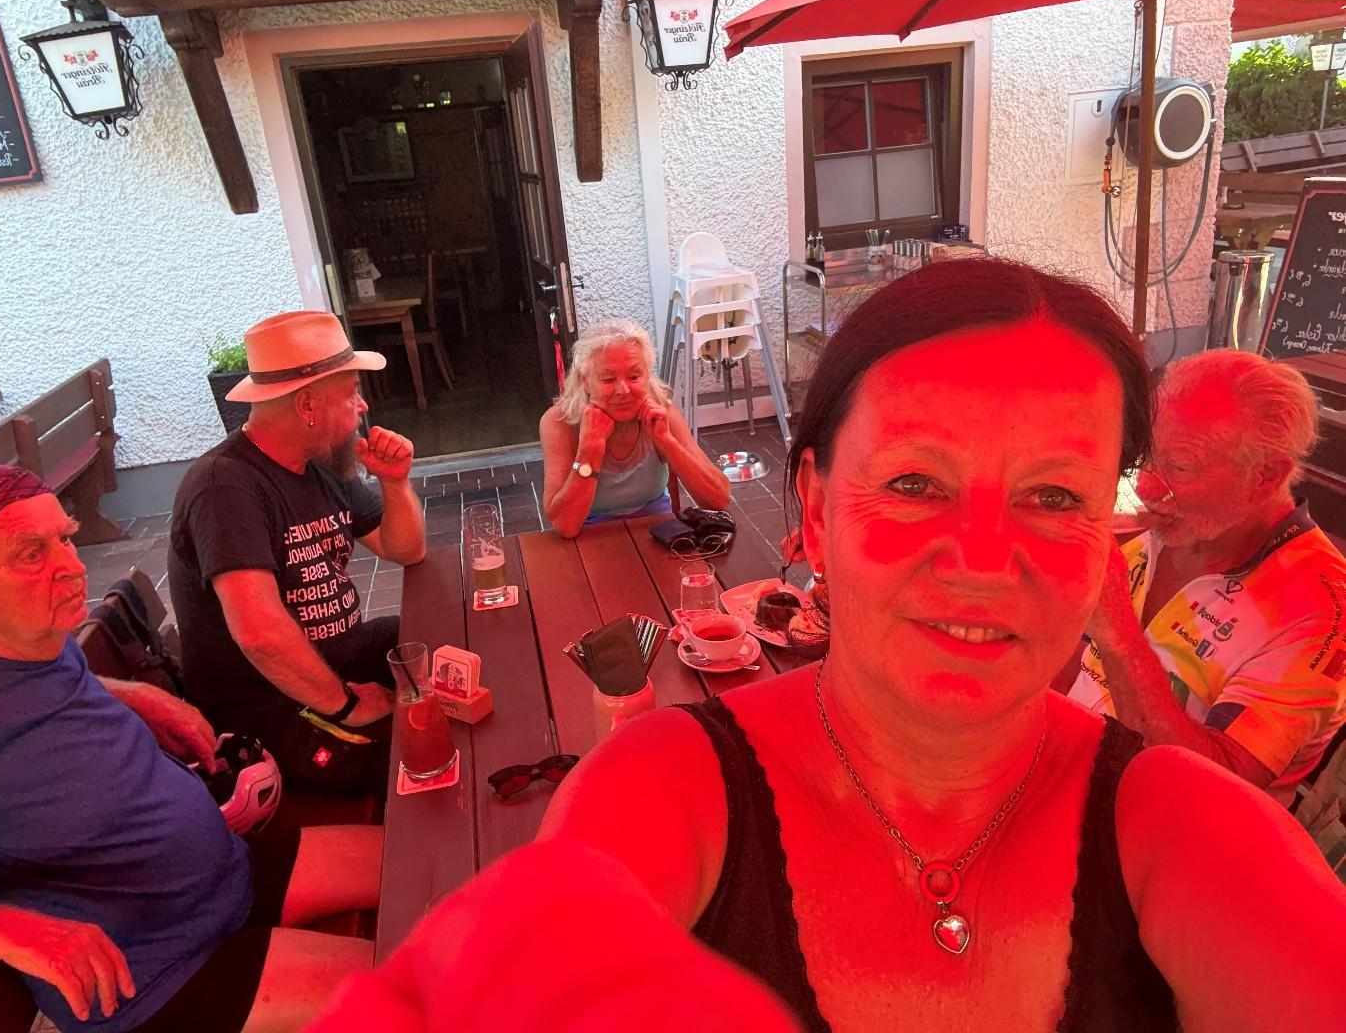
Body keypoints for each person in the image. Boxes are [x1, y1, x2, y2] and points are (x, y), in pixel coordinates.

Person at [311, 260, 1346, 1032]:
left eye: (1053, 496)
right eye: (914, 482)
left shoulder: (1188, 826)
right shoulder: (661, 786)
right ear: (811, 509)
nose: (985, 560)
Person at [0, 463, 382, 1033]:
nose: (73, 566)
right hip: (159, 970)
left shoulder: (23, 636)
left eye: (65, 537)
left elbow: (32, 693)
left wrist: (131, 693)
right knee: (420, 989)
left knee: (419, 859)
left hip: (222, 876)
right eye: (31, 554)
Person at [1064, 349, 1346, 804]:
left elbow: (1212, 788)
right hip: (1070, 767)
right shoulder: (1171, 526)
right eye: (1148, 457)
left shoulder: (1320, 610)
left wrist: (1117, 632)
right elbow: (1077, 662)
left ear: (1265, 476)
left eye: (1180, 467)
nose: (1146, 487)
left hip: (1164, 823)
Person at [170, 310, 426, 795]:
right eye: (351, 392)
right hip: (270, 705)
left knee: (438, 637)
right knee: (421, 751)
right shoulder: (224, 486)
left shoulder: (320, 463)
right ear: (308, 404)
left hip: (335, 658)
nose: (362, 406)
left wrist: (395, 483)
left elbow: (405, 550)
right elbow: (261, 635)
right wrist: (348, 705)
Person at [539, 319, 730, 537]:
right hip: (588, 537)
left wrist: (667, 442)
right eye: (608, 379)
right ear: (585, 381)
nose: (623, 390)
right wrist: (590, 449)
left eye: (634, 376)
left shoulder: (661, 410)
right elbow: (565, 525)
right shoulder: (560, 422)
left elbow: (719, 499)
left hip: (657, 533)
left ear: (647, 375)